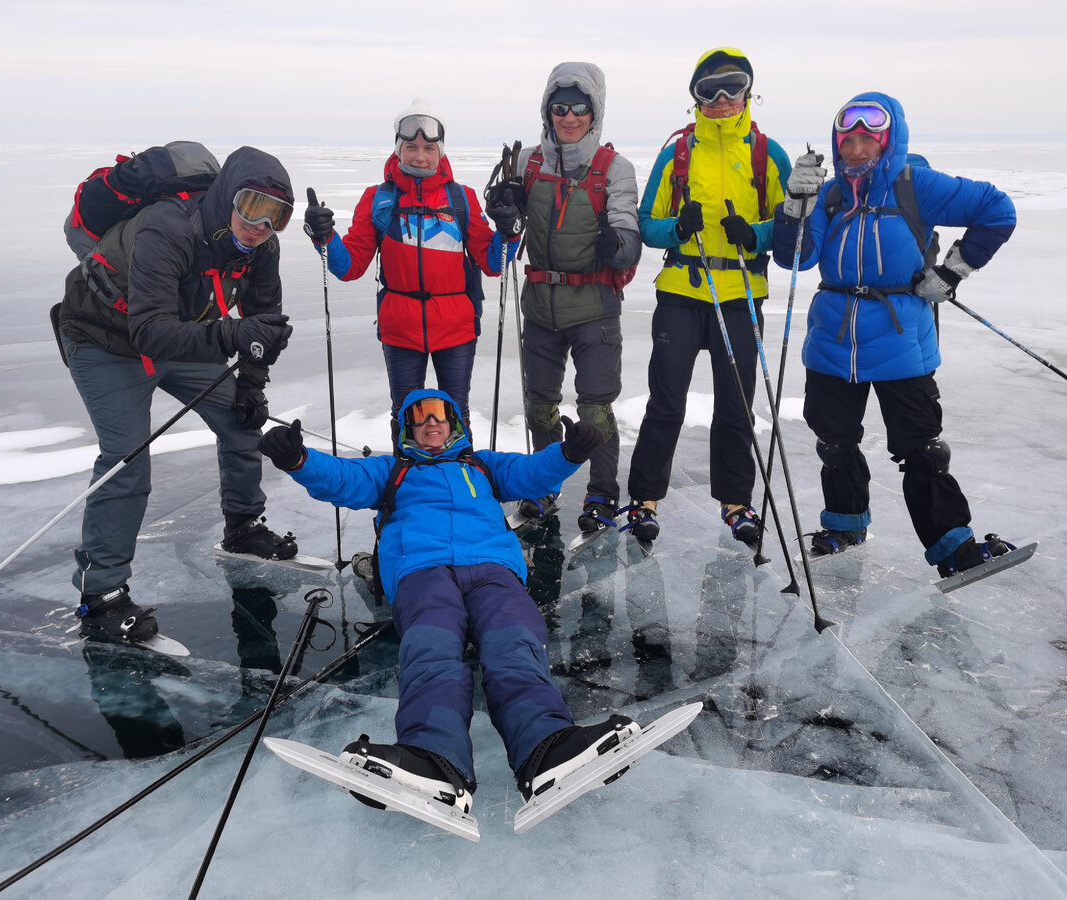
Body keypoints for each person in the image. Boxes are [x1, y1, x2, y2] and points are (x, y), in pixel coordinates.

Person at [258, 388, 640, 812]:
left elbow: (532, 472)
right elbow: (343, 479)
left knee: (515, 643)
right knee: (430, 652)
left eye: (439, 414)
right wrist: (299, 461)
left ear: (454, 422)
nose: (430, 422)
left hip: (492, 569)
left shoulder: (483, 465)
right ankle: (433, 761)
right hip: (423, 572)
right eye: (419, 417)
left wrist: (568, 453)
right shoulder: (392, 470)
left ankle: (547, 749)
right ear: (408, 429)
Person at [57, 146, 299, 644]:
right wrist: (235, 336)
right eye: (252, 205)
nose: (260, 224)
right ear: (228, 196)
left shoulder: (262, 249)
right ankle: (101, 594)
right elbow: (150, 332)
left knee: (241, 419)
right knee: (126, 457)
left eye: (276, 215)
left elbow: (263, 320)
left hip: (180, 338)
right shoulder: (168, 226)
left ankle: (243, 525)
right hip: (103, 340)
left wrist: (251, 385)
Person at [772, 91, 1017, 576]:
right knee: (834, 442)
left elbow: (997, 210)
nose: (857, 150)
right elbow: (794, 258)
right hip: (832, 340)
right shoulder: (828, 192)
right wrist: (793, 206)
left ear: (888, 141)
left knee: (921, 446)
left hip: (902, 337)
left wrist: (951, 272)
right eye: (849, 140)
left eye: (869, 139)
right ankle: (844, 525)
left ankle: (954, 548)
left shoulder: (914, 185)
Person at [626, 47, 790, 548]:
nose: (721, 100)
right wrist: (677, 228)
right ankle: (644, 498)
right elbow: (645, 224)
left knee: (738, 404)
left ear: (748, 92)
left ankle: (736, 501)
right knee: (666, 401)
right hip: (682, 292)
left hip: (742, 294)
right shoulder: (678, 151)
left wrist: (757, 235)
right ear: (695, 97)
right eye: (708, 91)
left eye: (732, 87)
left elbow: (789, 230)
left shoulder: (767, 154)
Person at [302, 99, 520, 436]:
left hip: (456, 327)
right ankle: (405, 485)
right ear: (398, 149)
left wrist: (511, 230)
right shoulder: (378, 198)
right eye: (411, 147)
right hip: (399, 326)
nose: (420, 156)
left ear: (441, 152)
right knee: (405, 415)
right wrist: (324, 236)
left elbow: (492, 262)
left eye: (429, 147)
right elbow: (349, 267)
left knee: (455, 414)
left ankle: (461, 485)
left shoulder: (461, 198)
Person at [505, 61, 642, 532]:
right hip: (540, 303)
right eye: (559, 107)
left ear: (594, 111)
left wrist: (617, 245)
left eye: (579, 107)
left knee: (595, 408)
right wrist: (502, 206)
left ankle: (602, 493)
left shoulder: (616, 169)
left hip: (594, 308)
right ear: (547, 110)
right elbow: (506, 221)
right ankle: (542, 489)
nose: (569, 116)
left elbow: (629, 238)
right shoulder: (526, 162)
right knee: (539, 404)